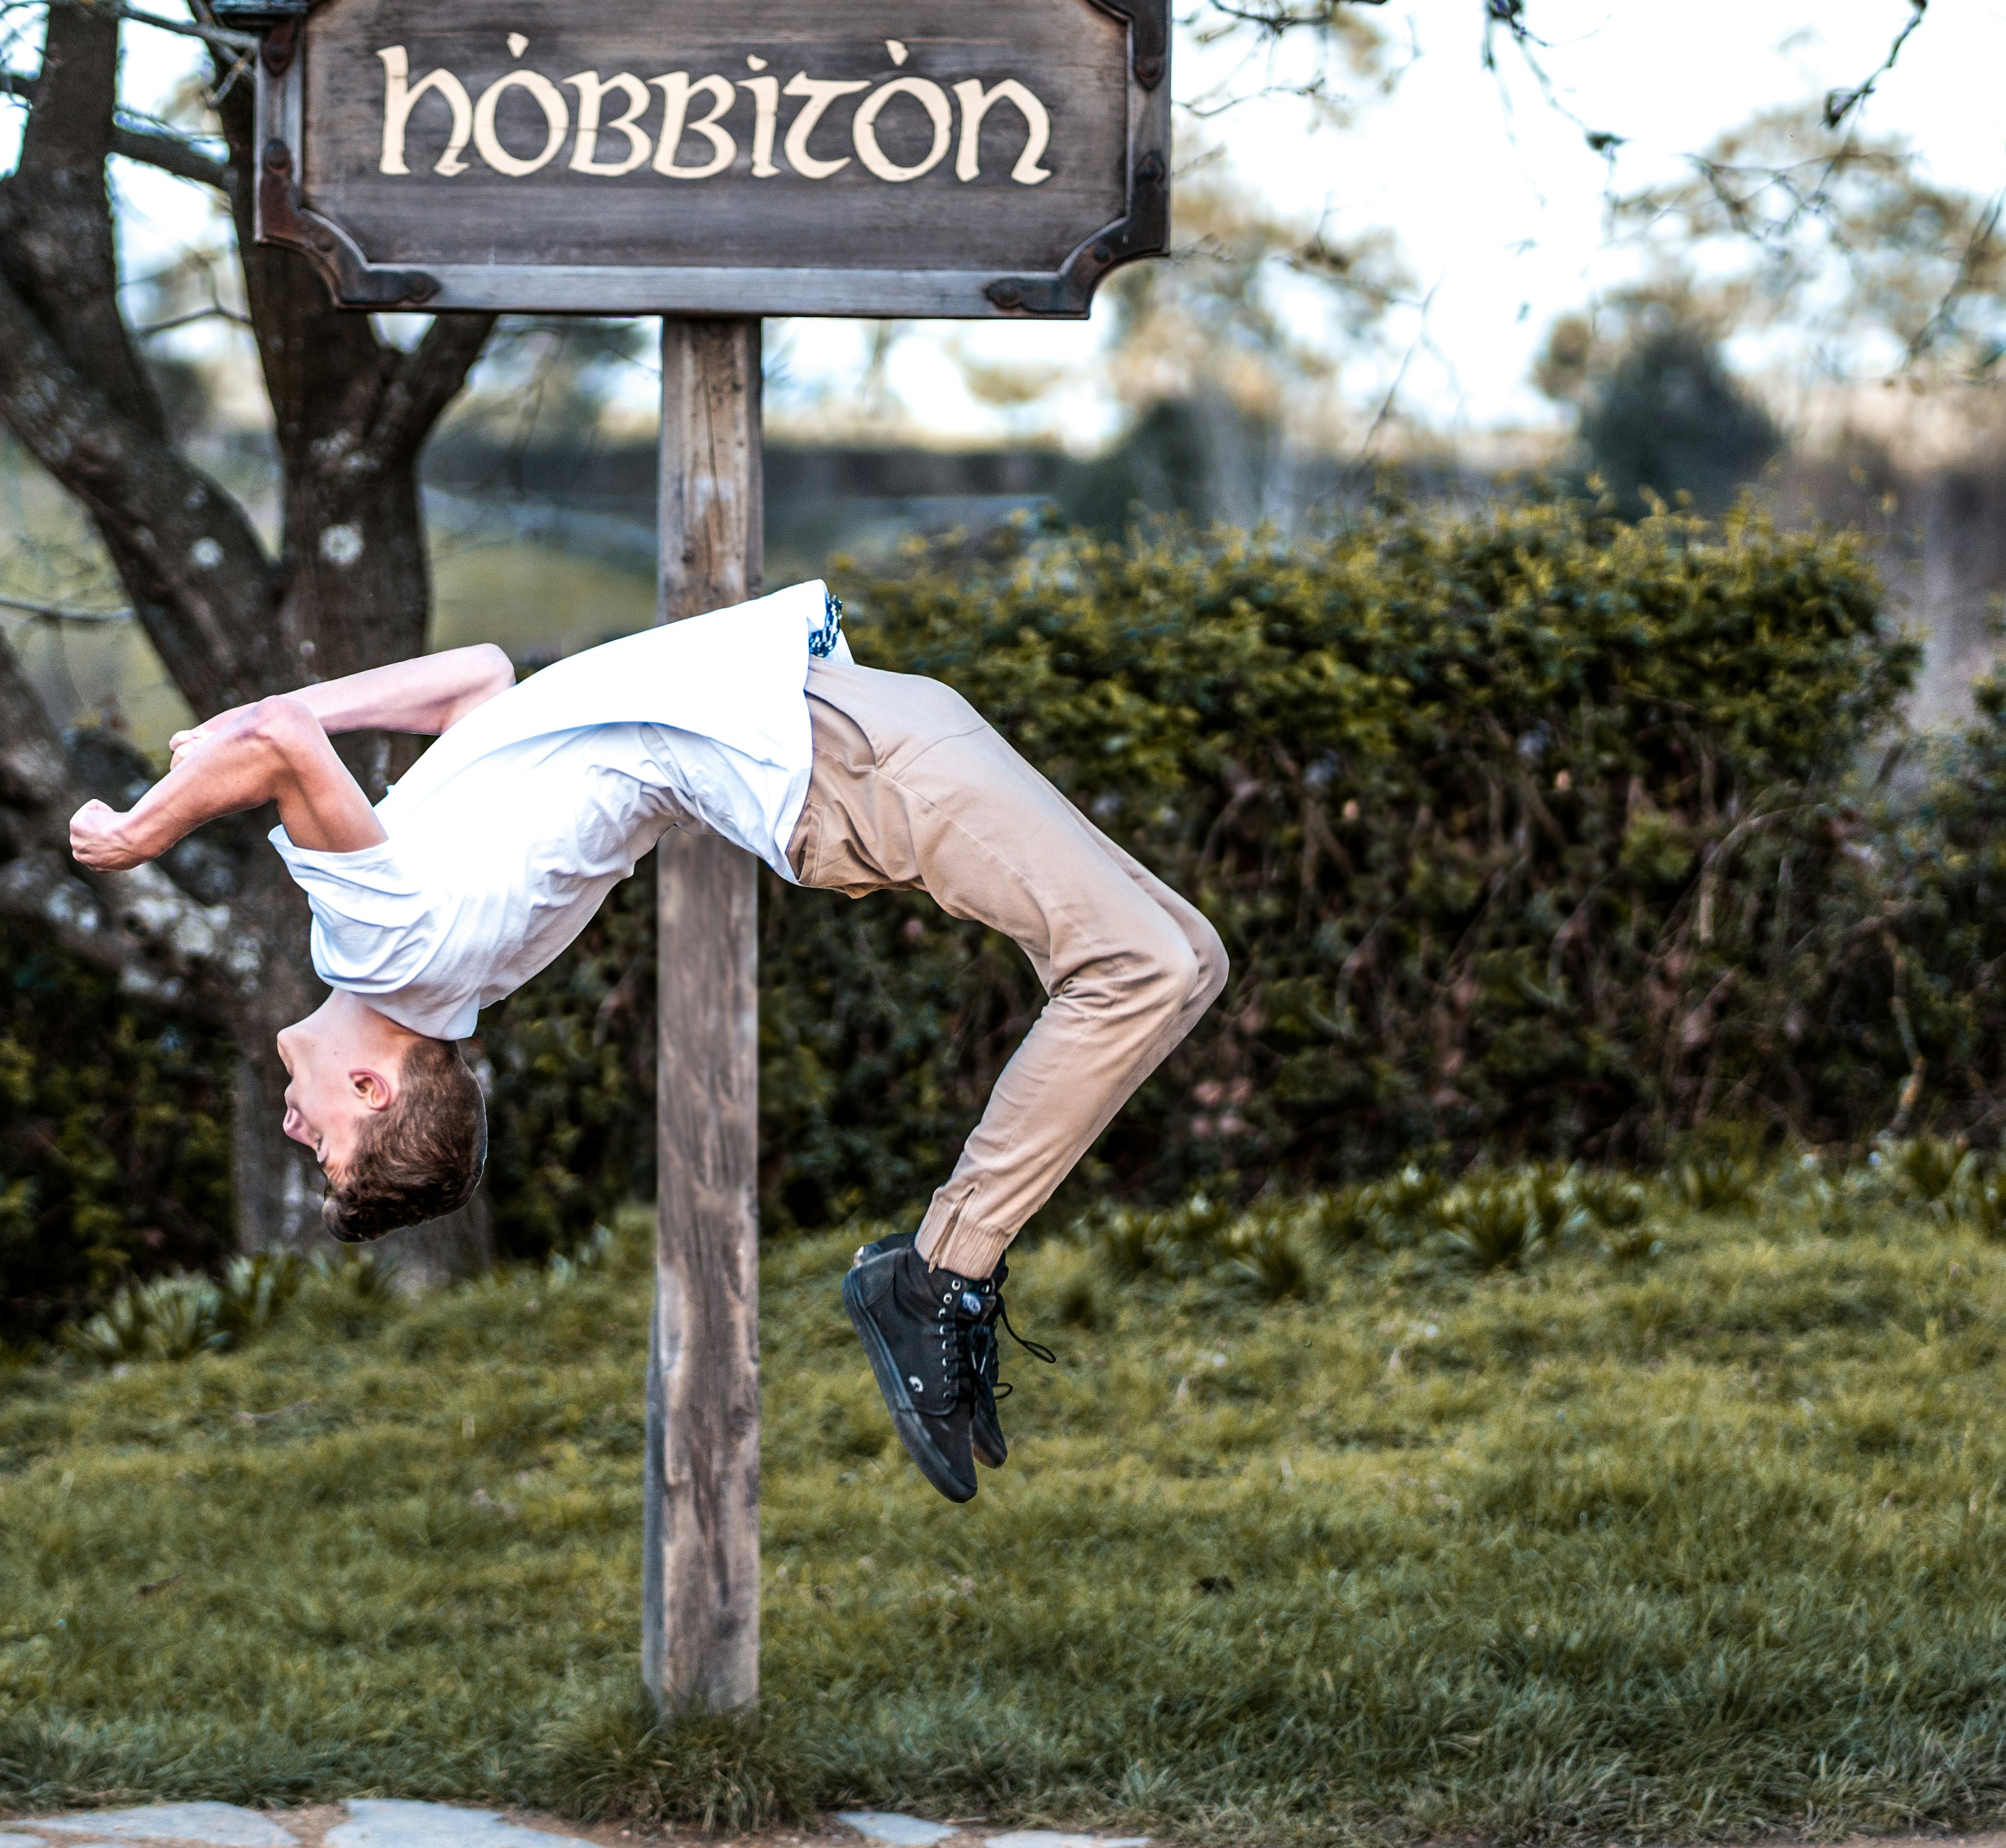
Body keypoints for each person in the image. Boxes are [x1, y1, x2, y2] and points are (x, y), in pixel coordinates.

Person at [68, 581, 1224, 1501]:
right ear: (371, 1088)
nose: (293, 1128)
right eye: (318, 1147)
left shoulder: (419, 953)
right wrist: (140, 829)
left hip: (854, 742)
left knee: (1182, 961)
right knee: (1149, 966)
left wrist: (217, 765)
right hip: (849, 764)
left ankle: (939, 1276)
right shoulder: (410, 954)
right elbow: (291, 734)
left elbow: (473, 685)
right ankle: (938, 1277)